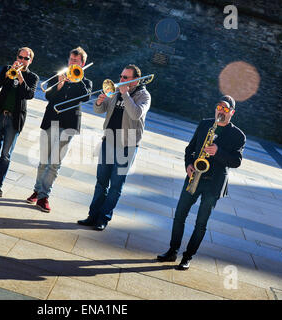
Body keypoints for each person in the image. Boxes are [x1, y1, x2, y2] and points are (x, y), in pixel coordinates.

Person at [157, 95, 246, 270]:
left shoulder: (238, 135)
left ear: (232, 112)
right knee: (179, 215)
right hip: (194, 176)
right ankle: (172, 251)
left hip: (214, 184)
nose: (221, 111)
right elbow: (190, 148)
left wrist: (218, 151)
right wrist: (188, 164)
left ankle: (187, 257)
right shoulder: (205, 124)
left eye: (226, 109)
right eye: (219, 107)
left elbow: (236, 161)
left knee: (201, 223)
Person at [77, 65, 151, 231]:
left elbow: (136, 114)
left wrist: (125, 94)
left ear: (135, 80)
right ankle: (92, 216)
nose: (121, 80)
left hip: (127, 145)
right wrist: (99, 101)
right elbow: (99, 110)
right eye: (121, 76)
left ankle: (103, 218)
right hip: (108, 141)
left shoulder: (144, 96)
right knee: (101, 182)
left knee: (116, 185)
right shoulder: (115, 91)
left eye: (126, 77)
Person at [26, 47, 92, 213]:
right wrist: (61, 82)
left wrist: (77, 79)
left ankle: (44, 196)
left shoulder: (86, 81)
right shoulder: (58, 76)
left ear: (82, 63)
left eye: (75, 61)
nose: (71, 63)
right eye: (70, 60)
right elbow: (48, 96)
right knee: (43, 161)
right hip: (51, 121)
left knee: (54, 163)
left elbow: (86, 97)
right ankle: (37, 190)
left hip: (69, 124)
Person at [0, 47, 39, 197]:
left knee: (5, 154)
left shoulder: (32, 77)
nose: (22, 61)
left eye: (26, 58)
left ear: (30, 61)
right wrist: (7, 75)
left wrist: (21, 77)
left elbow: (29, 94)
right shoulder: (8, 69)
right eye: (20, 57)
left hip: (14, 119)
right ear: (16, 57)